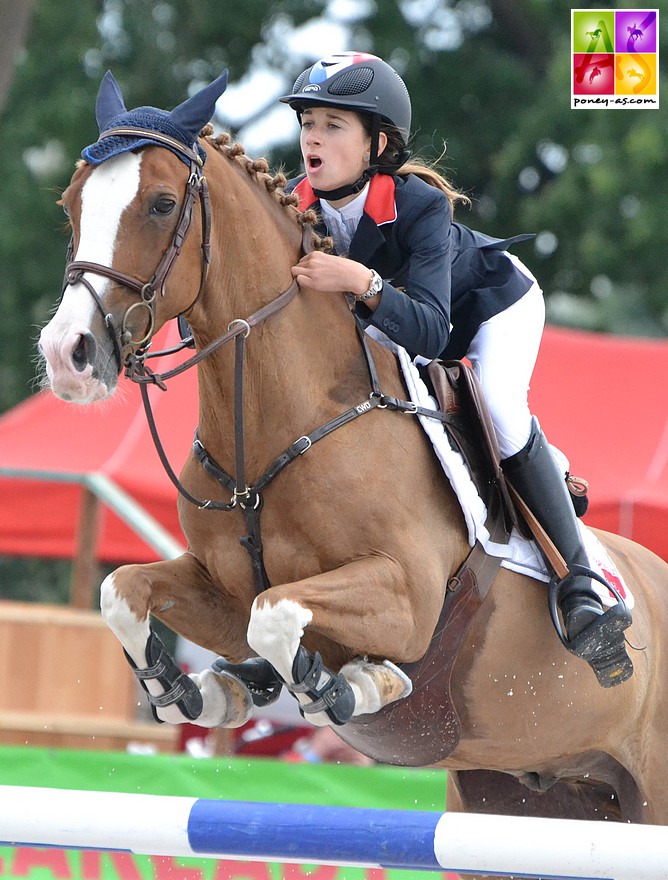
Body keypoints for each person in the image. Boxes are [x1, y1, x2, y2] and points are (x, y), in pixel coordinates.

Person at [280, 51, 633, 688]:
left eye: (334, 124)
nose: (312, 136)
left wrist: (359, 280)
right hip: (398, 330)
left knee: (497, 404)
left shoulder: (418, 206)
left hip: (490, 308)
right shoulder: (290, 207)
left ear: (377, 143)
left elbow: (431, 331)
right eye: (308, 121)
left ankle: (581, 579)